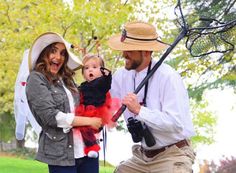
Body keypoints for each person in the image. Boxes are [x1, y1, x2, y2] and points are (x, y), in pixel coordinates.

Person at [108, 21, 196, 173]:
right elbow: (107, 103)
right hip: (142, 157)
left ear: (146, 52)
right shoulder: (121, 76)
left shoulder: (169, 77)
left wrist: (139, 110)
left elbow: (176, 124)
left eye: (129, 50)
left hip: (173, 154)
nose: (123, 54)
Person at [26, 32, 102, 173]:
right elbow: (50, 117)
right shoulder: (36, 79)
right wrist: (89, 121)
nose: (58, 57)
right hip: (61, 154)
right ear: (44, 54)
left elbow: (82, 105)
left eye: (62, 53)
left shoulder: (67, 80)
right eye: (53, 51)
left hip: (87, 149)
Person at [74, 54, 117, 158]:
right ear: (83, 73)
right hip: (85, 111)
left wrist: (107, 75)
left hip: (98, 110)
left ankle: (92, 147)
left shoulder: (101, 83)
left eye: (94, 67)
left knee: (89, 128)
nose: (90, 70)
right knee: (84, 129)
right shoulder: (83, 86)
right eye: (86, 68)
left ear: (101, 71)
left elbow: (107, 83)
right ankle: (91, 147)